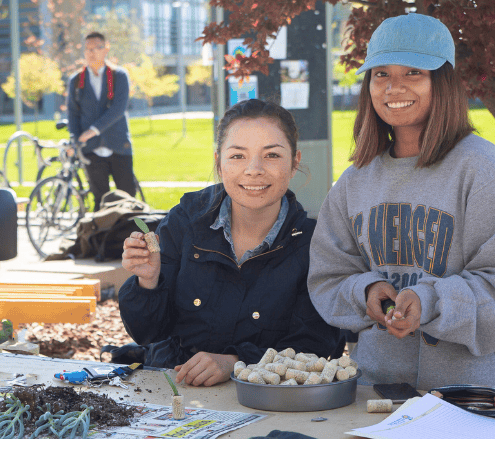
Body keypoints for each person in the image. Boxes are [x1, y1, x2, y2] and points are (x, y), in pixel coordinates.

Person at [307, 13, 495, 394]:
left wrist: (428, 301)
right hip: (378, 390)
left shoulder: (481, 167)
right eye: (381, 74)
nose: (393, 87)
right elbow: (329, 275)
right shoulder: (355, 180)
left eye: (413, 72)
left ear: (442, 81)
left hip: (472, 394)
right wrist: (365, 292)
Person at [118, 99, 343, 387]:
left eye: (272, 155)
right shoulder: (185, 221)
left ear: (295, 161)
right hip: (176, 391)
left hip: (266, 404)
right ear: (218, 163)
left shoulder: (312, 244)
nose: (254, 169)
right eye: (237, 156)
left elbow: (317, 348)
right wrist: (147, 282)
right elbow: (146, 333)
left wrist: (237, 361)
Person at [66, 31, 136, 210]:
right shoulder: (76, 81)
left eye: (96, 48)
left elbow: (118, 109)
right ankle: (104, 238)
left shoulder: (119, 75)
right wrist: (75, 140)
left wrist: (92, 131)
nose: (91, 53)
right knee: (101, 201)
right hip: (91, 150)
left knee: (128, 199)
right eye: (87, 49)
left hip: (119, 145)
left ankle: (130, 237)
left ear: (106, 49)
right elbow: (73, 114)